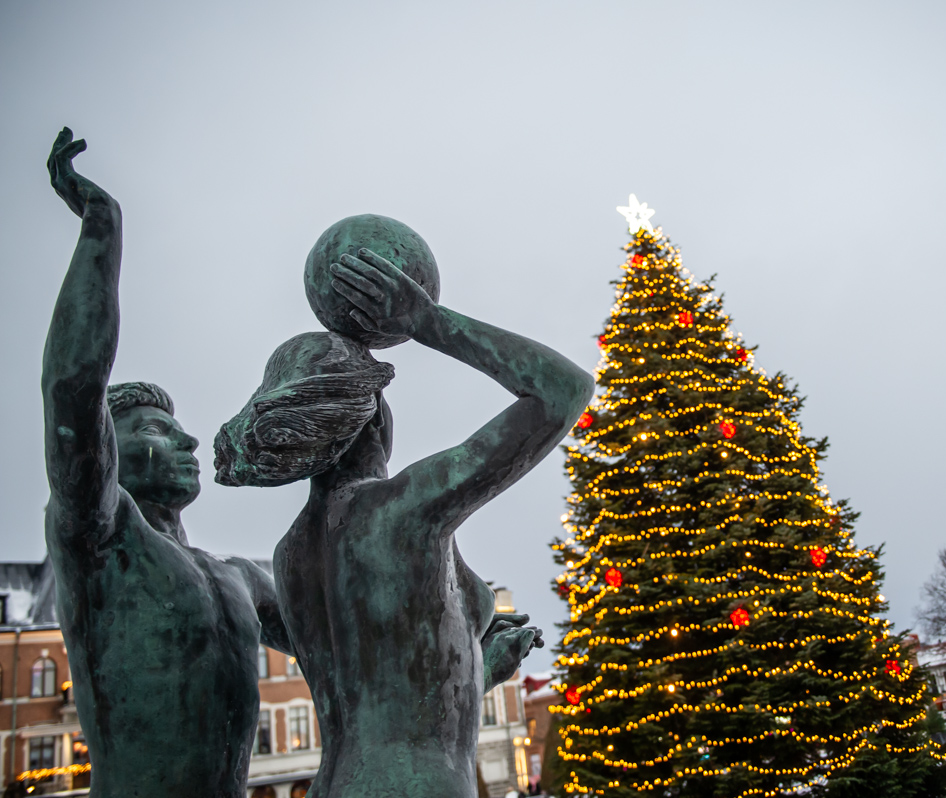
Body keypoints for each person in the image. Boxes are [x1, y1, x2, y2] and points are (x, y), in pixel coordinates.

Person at [216, 238, 593, 797]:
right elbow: (563, 391)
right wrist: (427, 320)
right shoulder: (399, 509)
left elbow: (381, 704)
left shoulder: (291, 553)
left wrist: (484, 668)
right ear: (374, 416)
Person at [41, 128, 292, 798]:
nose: (185, 443)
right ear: (107, 450)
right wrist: (103, 227)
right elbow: (73, 388)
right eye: (156, 430)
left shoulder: (238, 576)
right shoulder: (100, 542)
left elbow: (348, 652)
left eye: (182, 430)